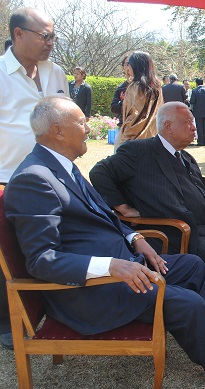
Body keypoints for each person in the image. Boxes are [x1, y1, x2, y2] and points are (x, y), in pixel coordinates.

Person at [4, 96, 205, 389]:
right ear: (57, 131)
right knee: (187, 303)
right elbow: (41, 260)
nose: (88, 128)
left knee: (192, 265)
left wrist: (134, 236)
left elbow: (100, 213)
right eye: (81, 122)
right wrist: (113, 266)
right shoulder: (34, 179)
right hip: (91, 292)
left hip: (123, 269)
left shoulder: (62, 166)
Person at [91, 102, 205, 330]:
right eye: (188, 123)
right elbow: (99, 172)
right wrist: (122, 206)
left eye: (193, 122)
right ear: (168, 126)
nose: (194, 127)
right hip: (178, 231)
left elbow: (202, 185)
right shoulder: (139, 151)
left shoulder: (185, 156)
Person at [0, 7, 69, 350]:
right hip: (10, 179)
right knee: (11, 252)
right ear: (18, 34)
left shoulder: (55, 72)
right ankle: (7, 322)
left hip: (56, 176)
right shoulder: (0, 74)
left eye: (53, 36)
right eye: (44, 36)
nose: (50, 43)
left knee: (54, 242)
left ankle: (54, 308)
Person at [117, 51, 163, 148]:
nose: (128, 67)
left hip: (134, 138)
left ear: (136, 66)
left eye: (129, 64)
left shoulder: (135, 87)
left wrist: (125, 137)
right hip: (153, 135)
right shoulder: (157, 86)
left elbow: (132, 115)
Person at [190, 77, 205, 146]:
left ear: (196, 84)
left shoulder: (195, 91)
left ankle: (200, 141)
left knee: (199, 126)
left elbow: (192, 101)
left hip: (197, 112)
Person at [110, 56, 130, 129]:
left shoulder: (142, 86)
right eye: (127, 64)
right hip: (123, 126)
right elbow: (113, 107)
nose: (129, 67)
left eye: (131, 63)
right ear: (123, 68)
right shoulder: (120, 88)